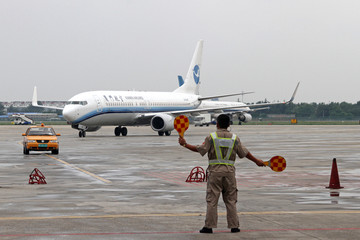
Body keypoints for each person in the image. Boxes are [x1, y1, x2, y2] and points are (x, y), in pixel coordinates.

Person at [178, 114, 265, 233]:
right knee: (231, 200)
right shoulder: (235, 138)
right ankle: (234, 226)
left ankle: (209, 226)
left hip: (215, 172)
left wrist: (184, 144)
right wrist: (257, 161)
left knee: (212, 200)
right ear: (229, 125)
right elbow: (245, 153)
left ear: (217, 124)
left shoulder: (211, 137)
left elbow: (200, 149)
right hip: (229, 172)